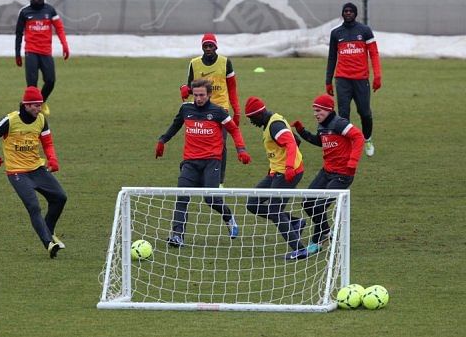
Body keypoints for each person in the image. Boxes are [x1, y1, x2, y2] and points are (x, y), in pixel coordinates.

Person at [156, 79, 251, 247]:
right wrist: (163, 140)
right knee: (182, 197)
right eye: (196, 95)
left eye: (202, 95)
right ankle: (177, 236)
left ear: (209, 95)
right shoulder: (186, 109)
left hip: (211, 161)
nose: (198, 98)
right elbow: (175, 125)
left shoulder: (218, 112)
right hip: (190, 162)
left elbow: (234, 129)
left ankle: (228, 217)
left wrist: (241, 149)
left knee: (210, 198)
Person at [0, 86, 67, 258]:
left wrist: (53, 160)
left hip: (37, 169)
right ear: (26, 105)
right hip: (17, 172)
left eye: (40, 105)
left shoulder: (41, 120)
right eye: (36, 105)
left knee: (60, 197)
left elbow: (48, 143)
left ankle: (48, 231)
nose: (39, 108)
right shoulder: (10, 120)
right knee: (34, 206)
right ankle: (48, 244)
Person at [291, 94, 364, 255]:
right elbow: (320, 141)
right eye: (314, 111)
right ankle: (326, 232)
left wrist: (352, 161)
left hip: (342, 174)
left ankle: (317, 241)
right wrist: (301, 130)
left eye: (318, 111)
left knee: (319, 207)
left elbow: (358, 137)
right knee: (307, 202)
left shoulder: (339, 123)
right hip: (327, 172)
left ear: (328, 110)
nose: (315, 114)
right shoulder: (323, 125)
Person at [244, 96, 307, 260]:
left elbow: (292, 144)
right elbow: (297, 140)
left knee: (274, 210)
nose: (251, 122)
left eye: (251, 118)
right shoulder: (271, 123)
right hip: (276, 172)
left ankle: (300, 250)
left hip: (288, 173)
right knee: (252, 203)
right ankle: (294, 223)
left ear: (259, 114)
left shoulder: (275, 125)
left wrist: (288, 167)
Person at [179, 33, 241, 186]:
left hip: (221, 109)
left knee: (221, 144)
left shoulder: (226, 62)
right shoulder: (194, 63)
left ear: (216, 46)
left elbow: (232, 89)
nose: (208, 49)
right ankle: (197, 174)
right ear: (202, 47)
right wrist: (184, 89)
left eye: (210, 46)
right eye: (205, 46)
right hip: (200, 108)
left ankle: (219, 180)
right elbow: (190, 87)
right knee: (199, 142)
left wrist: (237, 111)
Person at [325, 2, 382, 157]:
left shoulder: (365, 31)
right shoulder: (336, 33)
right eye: (345, 11)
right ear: (342, 13)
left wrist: (377, 76)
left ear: (355, 14)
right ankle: (346, 143)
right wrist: (328, 81)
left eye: (351, 11)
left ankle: (367, 139)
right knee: (343, 113)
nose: (348, 13)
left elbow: (374, 54)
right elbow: (331, 58)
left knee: (364, 113)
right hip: (342, 79)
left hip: (361, 79)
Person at [15, 0, 70, 116]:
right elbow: (18, 34)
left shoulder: (50, 10)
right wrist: (17, 53)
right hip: (31, 51)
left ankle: (41, 101)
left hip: (45, 52)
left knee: (50, 81)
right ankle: (26, 112)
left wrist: (65, 45)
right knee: (32, 85)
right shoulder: (24, 12)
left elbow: (59, 28)